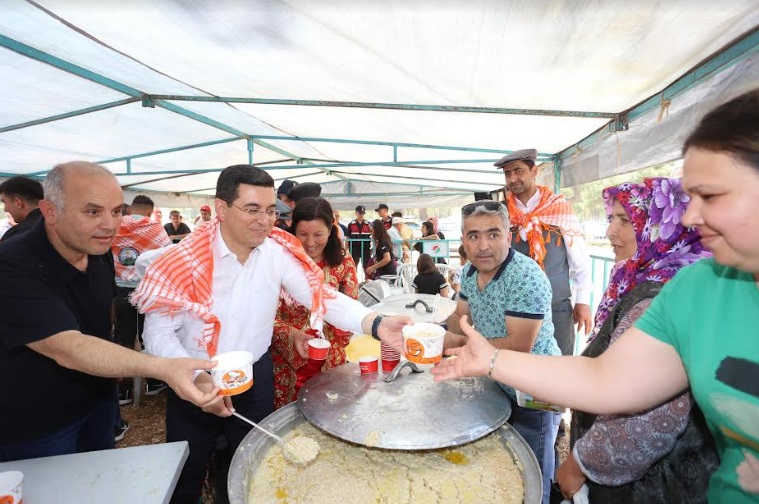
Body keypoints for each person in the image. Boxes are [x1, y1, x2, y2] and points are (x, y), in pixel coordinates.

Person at [431, 89, 759, 503]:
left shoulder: (648, 287)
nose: (690, 218)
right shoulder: (697, 289)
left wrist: (582, 462)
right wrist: (489, 359)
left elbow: (645, 422)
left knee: (534, 451)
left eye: (710, 196)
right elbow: (608, 377)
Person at [134, 165, 410, 503]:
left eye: (269, 210)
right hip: (193, 378)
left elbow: (321, 296)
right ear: (221, 209)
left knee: (255, 463)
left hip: (255, 374)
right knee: (187, 470)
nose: (264, 221)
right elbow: (159, 333)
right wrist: (193, 375)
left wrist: (377, 324)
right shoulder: (180, 260)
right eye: (252, 209)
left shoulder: (276, 251)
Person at [0, 161, 222, 463]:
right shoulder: (13, 262)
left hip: (98, 402)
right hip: (37, 419)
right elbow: (69, 347)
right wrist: (164, 367)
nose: (110, 225)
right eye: (93, 212)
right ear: (51, 211)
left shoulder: (98, 249)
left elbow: (103, 313)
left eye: (116, 211)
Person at [555, 177, 718, 503]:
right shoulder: (642, 279)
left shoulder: (661, 300)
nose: (611, 232)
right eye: (611, 219)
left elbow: (639, 425)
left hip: (648, 487)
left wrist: (576, 466)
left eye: (626, 220)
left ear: (663, 227)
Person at [443, 200, 562, 504]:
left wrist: (457, 344)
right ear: (463, 240)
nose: (483, 245)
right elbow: (460, 317)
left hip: (534, 387)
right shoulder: (469, 272)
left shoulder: (526, 277)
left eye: (493, 234)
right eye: (473, 236)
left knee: (533, 467)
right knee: (502, 462)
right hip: (495, 382)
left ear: (510, 236)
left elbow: (518, 345)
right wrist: (437, 335)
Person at [496, 149, 593, 356]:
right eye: (507, 174)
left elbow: (579, 258)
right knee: (517, 364)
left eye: (518, 171)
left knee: (561, 366)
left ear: (534, 171)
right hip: (513, 306)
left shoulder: (558, 207)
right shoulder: (500, 214)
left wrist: (583, 301)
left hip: (556, 304)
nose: (513, 178)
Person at [272, 197, 359, 409]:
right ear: (294, 231)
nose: (310, 242)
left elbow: (352, 304)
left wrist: (336, 333)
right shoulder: (279, 260)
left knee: (330, 413)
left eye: (318, 234)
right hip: (288, 361)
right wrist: (294, 335)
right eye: (303, 234)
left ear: (331, 230)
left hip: (331, 357)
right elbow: (266, 316)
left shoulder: (342, 261)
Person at [111, 194, 172, 407]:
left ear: (130, 209)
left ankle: (123, 390)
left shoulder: (115, 224)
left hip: (119, 289)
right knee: (150, 336)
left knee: (123, 339)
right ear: (149, 210)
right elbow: (167, 258)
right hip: (148, 291)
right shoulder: (156, 228)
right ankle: (153, 383)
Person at [0, 175, 44, 242]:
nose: (5, 209)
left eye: (5, 202)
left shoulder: (18, 234)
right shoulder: (58, 226)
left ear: (18, 203)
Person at [347, 205, 372, 269]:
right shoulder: (351, 224)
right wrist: (345, 249)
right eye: (360, 213)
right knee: (353, 266)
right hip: (354, 248)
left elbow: (373, 235)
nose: (362, 215)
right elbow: (347, 237)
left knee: (367, 266)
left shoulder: (368, 224)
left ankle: (367, 279)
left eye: (363, 213)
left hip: (366, 248)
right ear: (356, 213)